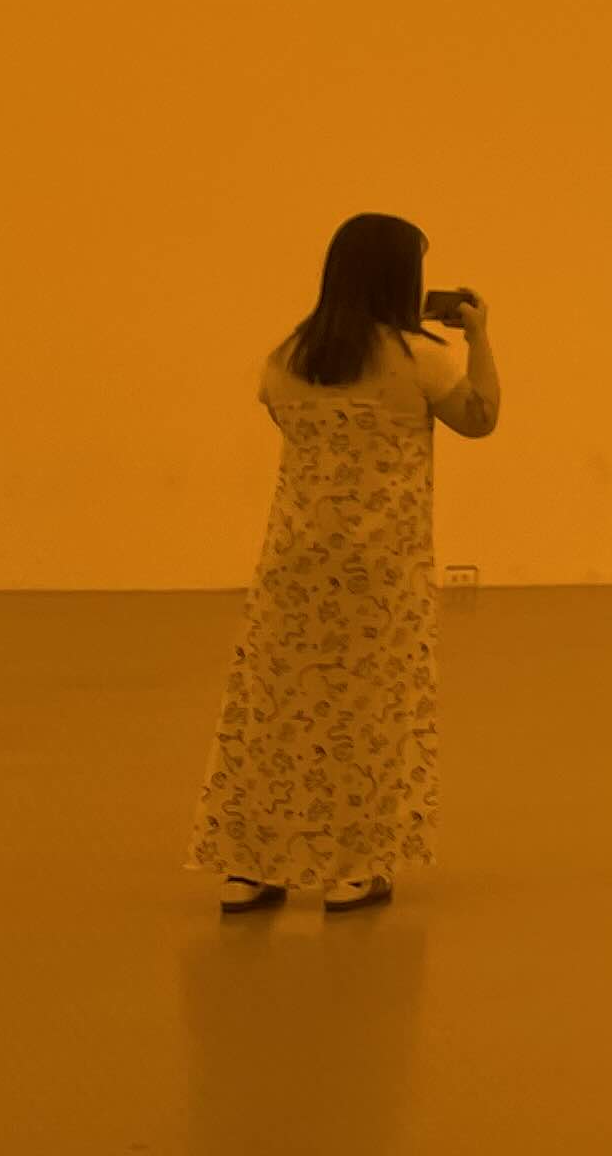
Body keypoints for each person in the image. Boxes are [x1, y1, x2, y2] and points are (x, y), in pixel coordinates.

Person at [191, 214, 503, 916]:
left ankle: (246, 868)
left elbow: (287, 423)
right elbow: (480, 417)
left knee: (272, 709)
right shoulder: (420, 358)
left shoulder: (289, 357)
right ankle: (354, 870)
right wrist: (480, 336)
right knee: (371, 711)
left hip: (295, 560)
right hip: (382, 568)